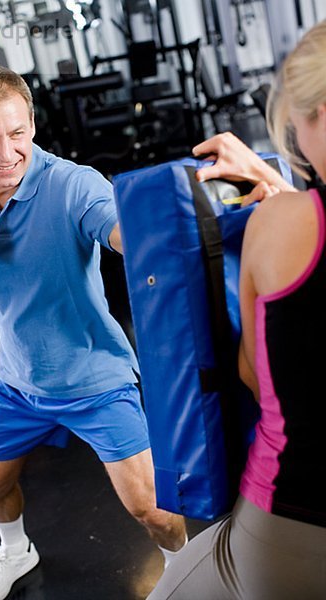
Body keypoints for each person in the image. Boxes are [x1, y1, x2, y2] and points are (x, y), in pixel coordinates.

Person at [0, 65, 187, 600]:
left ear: (32, 126)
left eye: (17, 133)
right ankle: (16, 551)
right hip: (17, 377)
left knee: (153, 512)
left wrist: (151, 234)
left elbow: (118, 229)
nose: (6, 152)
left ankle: (189, 572)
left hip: (94, 376)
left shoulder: (73, 185)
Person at [148, 19, 326, 600]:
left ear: (313, 113)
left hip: (294, 525)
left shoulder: (282, 226)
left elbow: (255, 375)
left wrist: (283, 204)